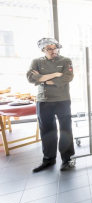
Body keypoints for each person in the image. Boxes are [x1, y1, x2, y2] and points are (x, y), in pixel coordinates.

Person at [27, 38, 75, 172]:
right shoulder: (36, 62)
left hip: (62, 100)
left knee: (66, 130)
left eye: (55, 48)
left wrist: (42, 79)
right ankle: (48, 159)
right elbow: (31, 78)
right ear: (43, 50)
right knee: (47, 131)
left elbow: (68, 77)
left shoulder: (65, 61)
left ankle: (67, 159)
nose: (54, 51)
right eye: (50, 49)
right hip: (43, 101)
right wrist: (54, 74)